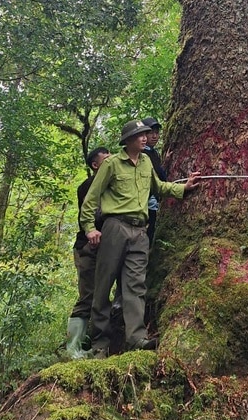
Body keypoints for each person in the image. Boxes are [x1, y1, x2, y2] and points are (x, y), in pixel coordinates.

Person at [80, 119, 201, 357]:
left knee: (135, 285)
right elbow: (91, 198)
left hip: (140, 231)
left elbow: (158, 187)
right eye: (139, 135)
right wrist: (89, 228)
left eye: (145, 134)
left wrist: (182, 188)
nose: (144, 137)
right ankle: (99, 345)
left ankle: (136, 338)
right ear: (127, 141)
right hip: (115, 227)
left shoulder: (146, 162)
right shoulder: (112, 164)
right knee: (104, 285)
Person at [65, 146, 110, 359]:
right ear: (95, 164)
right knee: (87, 295)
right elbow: (94, 213)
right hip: (87, 247)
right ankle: (73, 348)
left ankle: (96, 341)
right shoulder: (89, 186)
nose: (111, 161)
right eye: (106, 158)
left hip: (103, 247)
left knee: (101, 294)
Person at [142, 116, 166, 245]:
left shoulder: (154, 153)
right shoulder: (141, 154)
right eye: (151, 132)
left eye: (156, 133)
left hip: (154, 200)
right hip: (145, 202)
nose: (154, 136)